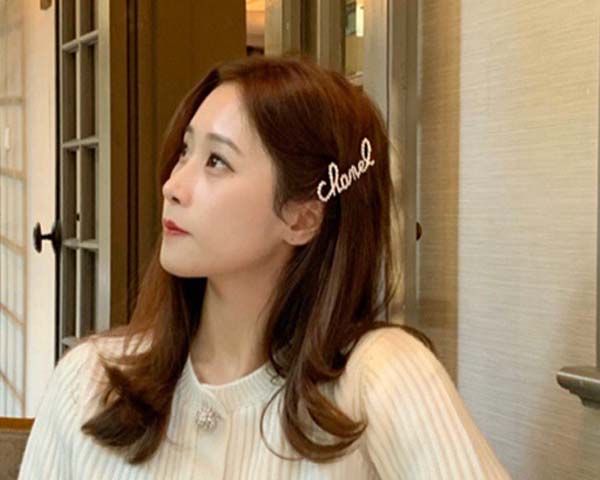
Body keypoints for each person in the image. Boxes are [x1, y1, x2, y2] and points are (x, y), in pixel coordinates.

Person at [18, 54, 512, 479]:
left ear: (302, 217)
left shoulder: (378, 378)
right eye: (186, 151)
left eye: (216, 161)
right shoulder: (89, 381)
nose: (172, 185)